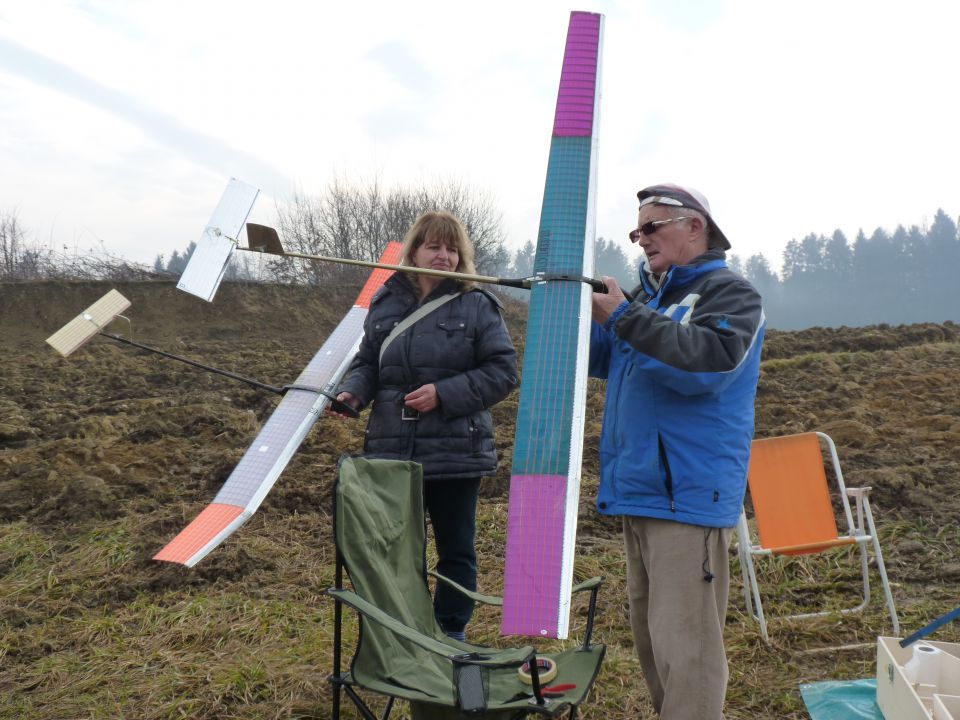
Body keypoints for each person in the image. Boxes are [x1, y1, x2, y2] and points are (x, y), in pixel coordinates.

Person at [589, 184, 765, 719]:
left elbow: (707, 365)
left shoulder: (729, 294)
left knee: (687, 650)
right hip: (640, 492)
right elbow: (608, 362)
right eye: (635, 230)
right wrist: (577, 311)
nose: (640, 239)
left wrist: (624, 317)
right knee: (653, 643)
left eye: (652, 226)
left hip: (685, 496)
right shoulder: (650, 301)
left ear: (696, 226)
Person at [334, 210, 518, 642]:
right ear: (414, 249)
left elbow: (503, 371)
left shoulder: (477, 304)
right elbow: (367, 361)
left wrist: (445, 394)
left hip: (456, 451)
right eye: (434, 246)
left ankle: (450, 632)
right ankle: (409, 630)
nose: (444, 256)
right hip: (392, 450)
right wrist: (353, 393)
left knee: (456, 551)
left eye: (452, 248)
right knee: (399, 550)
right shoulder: (386, 301)